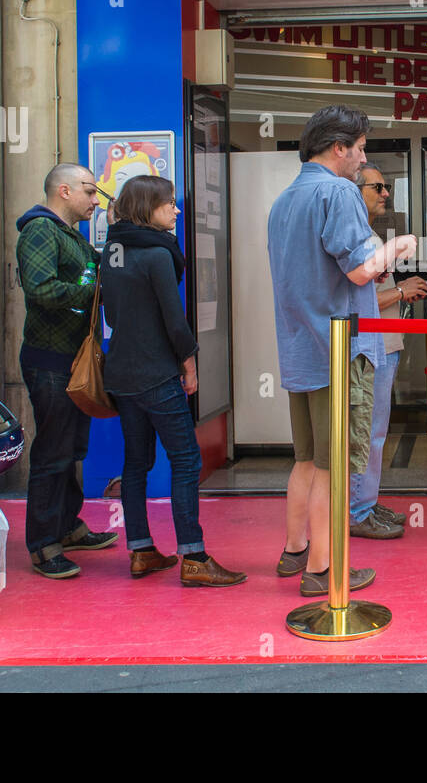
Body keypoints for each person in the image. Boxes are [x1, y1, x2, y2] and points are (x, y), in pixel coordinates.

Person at [267, 105, 416, 597]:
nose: (363, 158)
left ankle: (294, 551)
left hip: (299, 349)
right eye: (361, 149)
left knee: (306, 459)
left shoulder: (286, 199)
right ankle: (322, 570)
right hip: (340, 350)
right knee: (334, 467)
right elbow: (360, 270)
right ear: (339, 147)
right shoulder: (337, 192)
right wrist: (397, 248)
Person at [100, 175, 244, 587]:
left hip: (121, 373)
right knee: (185, 460)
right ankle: (194, 556)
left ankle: (141, 550)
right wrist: (190, 364)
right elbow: (174, 319)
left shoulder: (113, 249)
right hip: (157, 372)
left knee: (135, 463)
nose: (176, 210)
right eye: (168, 204)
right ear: (148, 207)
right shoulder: (158, 255)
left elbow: (111, 315)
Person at [16, 164, 121, 579]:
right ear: (64, 191)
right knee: (53, 452)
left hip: (68, 360)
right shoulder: (40, 231)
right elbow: (40, 289)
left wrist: (113, 237)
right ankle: (43, 545)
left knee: (71, 449)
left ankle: (67, 527)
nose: (96, 201)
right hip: (50, 360)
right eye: (90, 192)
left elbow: (99, 268)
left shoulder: (68, 235)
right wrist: (92, 291)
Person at [349, 162, 427, 539]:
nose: (385, 194)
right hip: (371, 345)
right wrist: (401, 290)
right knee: (368, 432)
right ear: (356, 190)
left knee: (375, 431)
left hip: (383, 344)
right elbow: (356, 303)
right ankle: (357, 510)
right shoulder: (354, 238)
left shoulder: (365, 235)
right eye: (377, 187)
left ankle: (366, 501)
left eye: (386, 186)